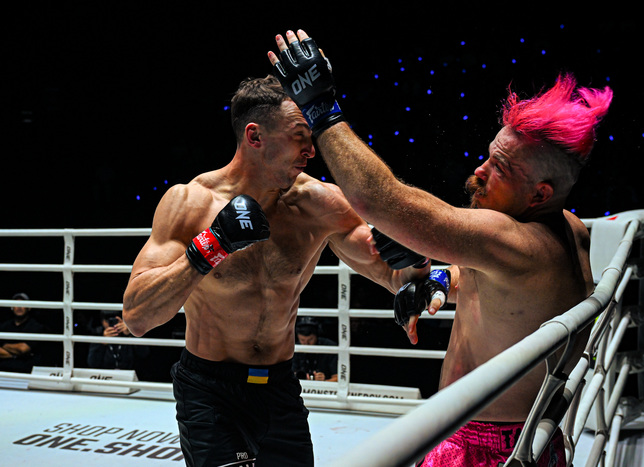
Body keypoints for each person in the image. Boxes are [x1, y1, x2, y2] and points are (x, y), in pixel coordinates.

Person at [269, 30, 613, 466]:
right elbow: (509, 296)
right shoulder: (569, 228)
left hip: (488, 444)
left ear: (539, 194)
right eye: (489, 155)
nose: (480, 170)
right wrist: (437, 279)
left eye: (500, 167)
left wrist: (321, 109)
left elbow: (380, 201)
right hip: (519, 435)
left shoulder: (514, 240)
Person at [122, 75, 429, 466]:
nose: (311, 151)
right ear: (255, 136)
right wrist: (211, 247)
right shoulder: (190, 204)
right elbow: (137, 316)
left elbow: (393, 276)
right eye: (299, 136)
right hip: (210, 391)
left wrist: (414, 260)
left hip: (280, 388)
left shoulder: (320, 205)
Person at [0, 293, 47, 373]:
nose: (19, 307)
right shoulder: (4, 326)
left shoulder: (35, 327)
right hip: (3, 371)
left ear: (29, 308)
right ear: (11, 307)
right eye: (16, 304)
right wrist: (16, 355)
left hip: (26, 371)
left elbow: (23, 349)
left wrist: (3, 345)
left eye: (22, 304)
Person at [292, 317, 337, 381]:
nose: (306, 343)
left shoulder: (329, 347)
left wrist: (324, 382)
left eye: (310, 340)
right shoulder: (295, 348)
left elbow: (338, 377)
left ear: (317, 336)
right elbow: (289, 375)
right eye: (302, 340)